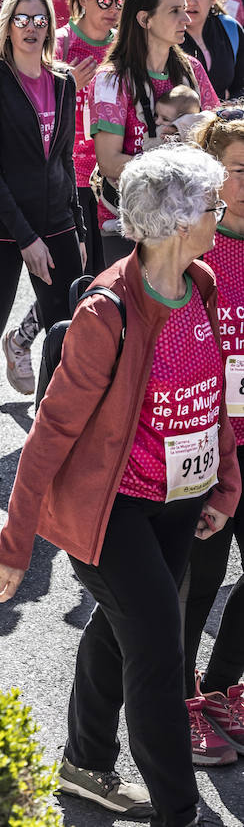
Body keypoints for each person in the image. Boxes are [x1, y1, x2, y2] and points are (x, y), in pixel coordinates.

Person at [0, 145, 240, 827]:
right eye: (210, 205)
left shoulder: (203, 283)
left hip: (179, 503)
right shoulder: (106, 313)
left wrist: (225, 482)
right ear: (175, 221)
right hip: (111, 510)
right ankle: (179, 810)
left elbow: (212, 396)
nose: (221, 214)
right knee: (158, 645)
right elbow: (48, 435)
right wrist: (14, 543)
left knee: (119, 625)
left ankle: (84, 765)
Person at [0, 0, 85, 481]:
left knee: (66, 332)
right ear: (6, 26)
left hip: (54, 223)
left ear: (50, 26)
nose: (31, 29)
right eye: (21, 19)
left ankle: (53, 435)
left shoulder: (63, 80)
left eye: (40, 20)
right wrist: (26, 238)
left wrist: (72, 225)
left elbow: (66, 161)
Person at [1, 0, 127, 394]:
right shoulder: (56, 42)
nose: (113, 8)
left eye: (120, 0)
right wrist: (64, 85)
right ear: (81, 0)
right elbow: (24, 99)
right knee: (70, 277)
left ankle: (42, 354)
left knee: (96, 279)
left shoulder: (123, 46)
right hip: (63, 175)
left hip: (111, 178)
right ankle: (30, 351)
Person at [183, 110, 244, 761]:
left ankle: (224, 685)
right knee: (197, 582)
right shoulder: (195, 248)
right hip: (202, 447)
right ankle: (179, 698)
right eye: (239, 169)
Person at [90, 0, 220, 264]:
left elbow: (217, 137)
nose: (186, 18)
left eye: (185, 9)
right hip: (127, 226)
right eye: (174, 11)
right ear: (144, 19)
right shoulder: (111, 80)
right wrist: (178, 165)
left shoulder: (193, 71)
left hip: (188, 223)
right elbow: (109, 162)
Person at [175, 0, 244, 101]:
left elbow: (240, 87)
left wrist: (232, 106)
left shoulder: (230, 28)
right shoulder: (161, 34)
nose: (191, 1)